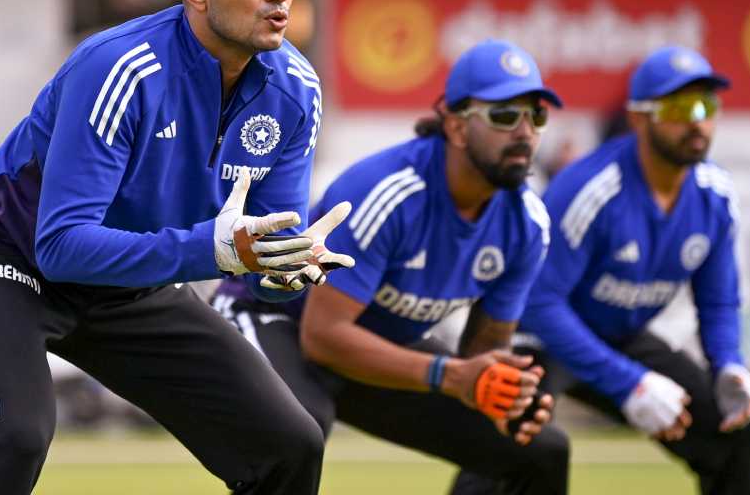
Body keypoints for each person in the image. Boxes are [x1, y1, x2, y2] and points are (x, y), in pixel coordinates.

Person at [0, 0, 353, 495]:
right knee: (17, 438)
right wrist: (216, 252)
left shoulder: (297, 88)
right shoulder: (119, 67)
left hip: (131, 284)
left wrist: (285, 266)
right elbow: (62, 247)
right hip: (3, 258)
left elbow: (259, 242)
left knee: (291, 444)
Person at [214, 39, 570, 494]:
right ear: (457, 126)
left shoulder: (528, 223)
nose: (525, 131)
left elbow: (478, 359)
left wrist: (501, 392)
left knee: (539, 450)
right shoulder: (388, 192)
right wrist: (446, 376)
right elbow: (323, 338)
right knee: (298, 433)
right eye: (504, 116)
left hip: (372, 352)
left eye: (536, 115)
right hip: (277, 319)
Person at [516, 46, 750, 494]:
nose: (697, 121)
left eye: (707, 106)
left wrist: (729, 364)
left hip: (622, 337)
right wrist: (628, 383)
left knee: (736, 435)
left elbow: (718, 298)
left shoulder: (715, 195)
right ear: (637, 118)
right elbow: (537, 302)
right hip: (542, 337)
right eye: (678, 107)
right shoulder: (591, 190)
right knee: (521, 442)